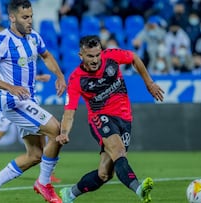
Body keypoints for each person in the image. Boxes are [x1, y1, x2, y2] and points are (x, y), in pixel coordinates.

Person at [0, 0, 66, 203]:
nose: (30, 21)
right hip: (13, 102)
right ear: (12, 18)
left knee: (34, 155)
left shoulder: (34, 36)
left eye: (31, 16)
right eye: (25, 17)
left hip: (29, 100)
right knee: (56, 130)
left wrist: (60, 75)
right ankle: (43, 183)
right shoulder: (1, 41)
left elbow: (47, 55)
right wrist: (10, 87)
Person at [55, 35, 164, 203]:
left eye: (97, 55)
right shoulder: (77, 79)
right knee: (119, 151)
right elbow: (69, 112)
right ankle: (139, 189)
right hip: (100, 118)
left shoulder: (111, 57)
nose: (95, 60)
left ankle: (69, 194)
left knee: (104, 174)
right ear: (81, 56)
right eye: (90, 56)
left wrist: (149, 83)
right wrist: (64, 132)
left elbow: (134, 58)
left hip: (125, 117)